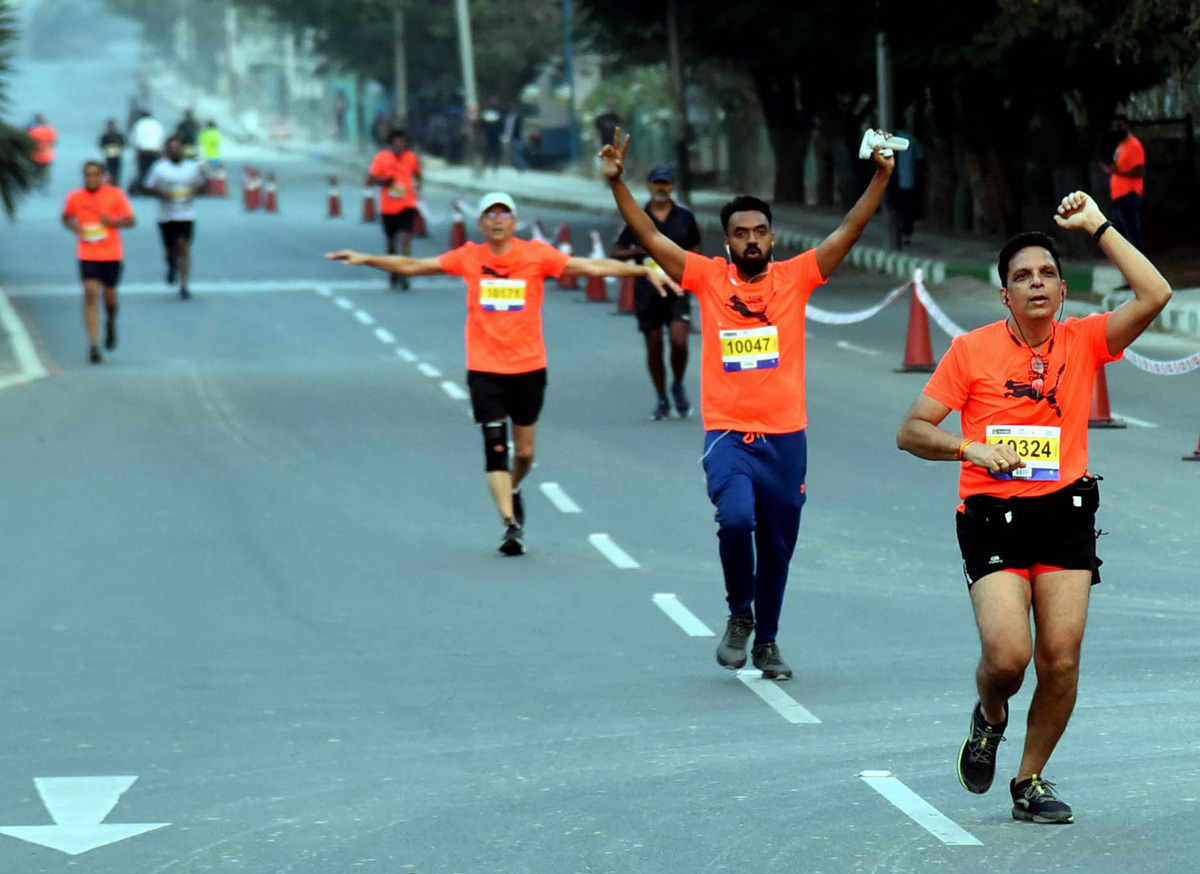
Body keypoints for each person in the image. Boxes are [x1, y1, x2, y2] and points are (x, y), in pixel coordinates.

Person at [895, 192, 1171, 824]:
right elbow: (910, 430)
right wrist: (972, 447)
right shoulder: (972, 351)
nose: (1037, 283)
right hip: (992, 516)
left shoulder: (1085, 341)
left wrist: (1098, 225)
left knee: (1062, 657)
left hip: (1064, 512)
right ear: (1005, 296)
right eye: (1023, 276)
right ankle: (990, 716)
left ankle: (1030, 779)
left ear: (1063, 289)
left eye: (1047, 273)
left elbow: (1154, 294)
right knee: (1008, 658)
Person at [602, 127, 895, 680]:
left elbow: (851, 228)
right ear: (727, 242)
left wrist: (880, 175)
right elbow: (647, 234)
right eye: (741, 233)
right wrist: (619, 185)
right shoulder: (707, 278)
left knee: (779, 547)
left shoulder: (797, 277)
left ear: (773, 237)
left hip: (787, 437)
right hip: (729, 433)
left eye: (761, 231)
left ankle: (769, 642)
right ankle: (741, 614)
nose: (752, 240)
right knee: (736, 520)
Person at [325, 191, 682, 556]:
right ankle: (511, 524)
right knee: (495, 446)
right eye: (490, 214)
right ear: (481, 223)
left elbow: (589, 267)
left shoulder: (536, 255)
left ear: (514, 222)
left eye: (504, 214)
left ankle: (513, 486)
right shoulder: (468, 257)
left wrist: (642, 270)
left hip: (529, 367)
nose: (497, 220)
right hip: (485, 369)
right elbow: (415, 266)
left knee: (524, 453)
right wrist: (366, 258)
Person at [612, 164, 702, 419]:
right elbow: (616, 252)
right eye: (656, 183)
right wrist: (642, 251)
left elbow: (696, 248)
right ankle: (661, 395)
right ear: (649, 185)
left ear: (671, 187)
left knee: (679, 340)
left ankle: (678, 384)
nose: (661, 188)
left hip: (678, 287)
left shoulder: (684, 216)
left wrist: (686, 264)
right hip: (648, 289)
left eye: (665, 183)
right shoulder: (638, 217)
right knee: (653, 344)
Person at [61, 161, 136, 363]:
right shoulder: (75, 197)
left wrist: (112, 222)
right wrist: (76, 229)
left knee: (109, 298)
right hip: (87, 253)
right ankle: (93, 344)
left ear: (103, 176)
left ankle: (111, 320)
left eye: (95, 175)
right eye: (87, 175)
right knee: (91, 293)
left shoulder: (115, 195)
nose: (91, 179)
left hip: (111, 254)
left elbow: (131, 220)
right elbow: (66, 217)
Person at [144, 137, 205, 300]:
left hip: (186, 213)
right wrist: (162, 194)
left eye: (178, 148)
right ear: (167, 151)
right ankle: (171, 265)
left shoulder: (191, 168)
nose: (175, 151)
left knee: (184, 247)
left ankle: (184, 285)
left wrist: (193, 191)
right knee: (171, 249)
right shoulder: (159, 168)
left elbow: (201, 184)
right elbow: (148, 187)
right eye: (172, 148)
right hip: (166, 215)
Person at [366, 129, 422, 290]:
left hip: (407, 204)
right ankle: (393, 272)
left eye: (403, 142)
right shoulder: (381, 157)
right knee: (391, 243)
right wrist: (384, 181)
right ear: (391, 143)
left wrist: (417, 189)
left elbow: (418, 175)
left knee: (405, 239)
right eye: (398, 141)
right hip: (388, 207)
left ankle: (405, 274)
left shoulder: (411, 157)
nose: (401, 145)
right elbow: (369, 179)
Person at [1103, 116, 1146, 254]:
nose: (1116, 130)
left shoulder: (1134, 145)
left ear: (1126, 126)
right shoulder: (1121, 146)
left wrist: (1118, 172)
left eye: (1119, 127)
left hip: (1129, 195)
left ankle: (1140, 267)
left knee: (1132, 234)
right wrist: (1111, 170)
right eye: (1114, 127)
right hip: (1119, 197)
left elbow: (1140, 171)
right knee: (1122, 235)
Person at [893, 127, 924, 245]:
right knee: (907, 208)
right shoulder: (912, 139)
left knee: (895, 207)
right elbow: (920, 158)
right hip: (908, 180)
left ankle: (897, 232)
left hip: (892, 180)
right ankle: (906, 234)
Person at [130, 110, 164, 195]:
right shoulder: (157, 125)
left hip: (143, 151)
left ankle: (140, 188)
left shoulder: (139, 124)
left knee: (142, 170)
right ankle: (150, 188)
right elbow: (162, 138)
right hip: (155, 151)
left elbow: (134, 139)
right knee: (152, 171)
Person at [27, 114, 57, 189]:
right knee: (45, 172)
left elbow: (28, 143)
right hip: (48, 157)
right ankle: (43, 184)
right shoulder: (51, 130)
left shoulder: (33, 131)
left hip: (35, 157)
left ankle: (34, 183)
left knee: (35, 171)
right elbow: (54, 142)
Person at [99, 119, 126, 186]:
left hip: (116, 157)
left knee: (116, 174)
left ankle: (115, 185)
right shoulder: (106, 136)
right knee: (109, 173)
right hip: (109, 157)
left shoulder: (118, 136)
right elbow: (101, 146)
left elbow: (123, 144)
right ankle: (111, 185)